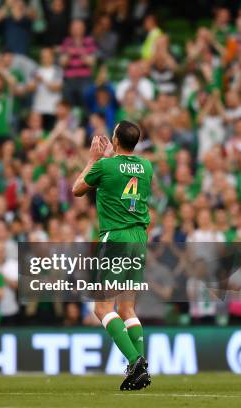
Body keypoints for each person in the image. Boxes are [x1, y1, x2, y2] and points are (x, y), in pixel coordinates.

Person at [72, 121, 152, 390]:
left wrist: (93, 159)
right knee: (127, 307)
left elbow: (77, 189)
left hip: (115, 238)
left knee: (102, 307)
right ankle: (139, 364)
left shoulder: (105, 166)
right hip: (139, 238)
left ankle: (135, 361)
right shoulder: (146, 167)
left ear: (115, 140)